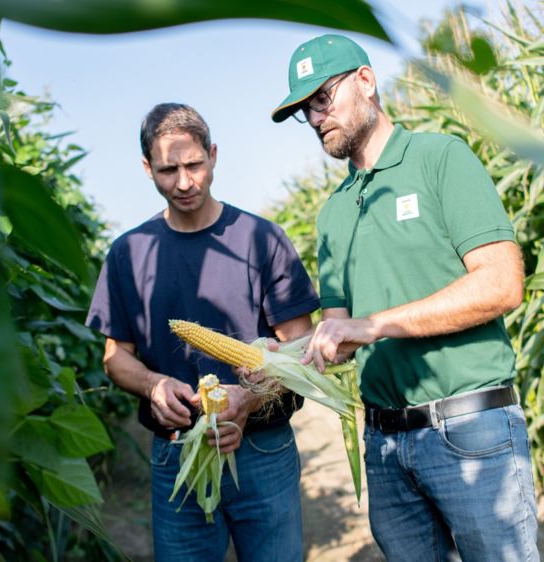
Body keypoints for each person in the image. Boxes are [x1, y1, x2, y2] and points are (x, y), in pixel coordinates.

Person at [272, 34, 539, 561]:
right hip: (386, 447)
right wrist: (274, 364)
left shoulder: (439, 158)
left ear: (366, 81)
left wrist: (374, 325)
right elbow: (338, 333)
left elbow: (501, 283)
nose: (316, 116)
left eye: (322, 98)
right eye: (305, 110)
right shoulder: (332, 214)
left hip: (471, 428)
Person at [86, 103, 318, 562]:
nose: (185, 182)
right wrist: (152, 385)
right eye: (168, 170)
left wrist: (247, 402)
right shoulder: (128, 253)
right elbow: (116, 356)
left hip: (262, 449)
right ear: (147, 168)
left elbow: (300, 347)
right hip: (178, 457)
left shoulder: (261, 239)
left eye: (194, 164)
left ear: (213, 155)